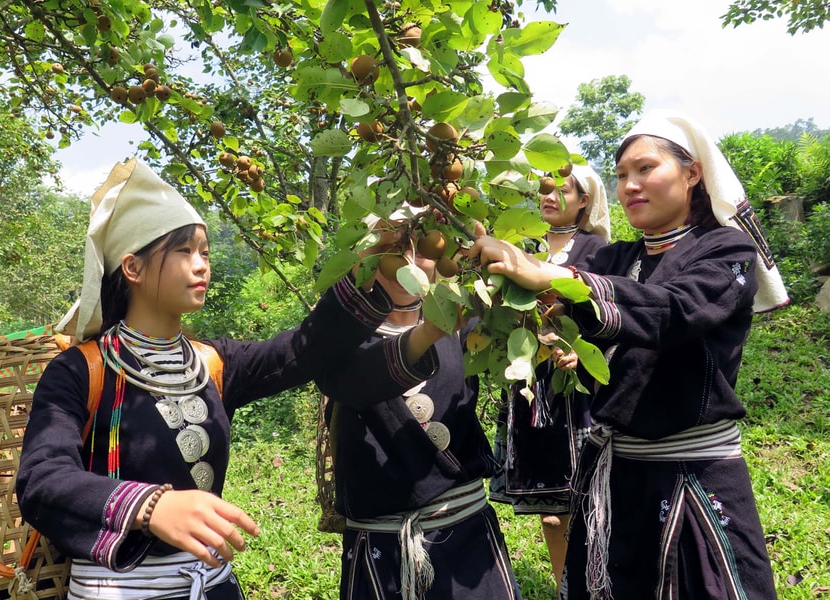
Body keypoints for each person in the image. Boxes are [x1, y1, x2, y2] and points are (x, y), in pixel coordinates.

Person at [15, 158, 440, 600]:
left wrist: (367, 266)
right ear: (133, 268)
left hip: (214, 587)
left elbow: (302, 351)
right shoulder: (80, 370)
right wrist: (149, 505)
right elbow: (41, 479)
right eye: (184, 252)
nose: (201, 265)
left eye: (205, 252)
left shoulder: (214, 362)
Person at [469, 109, 787, 599]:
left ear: (692, 172)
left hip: (696, 473)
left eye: (645, 169)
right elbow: (555, 282)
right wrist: (490, 245)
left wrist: (559, 280)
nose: (630, 185)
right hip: (617, 473)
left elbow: (673, 310)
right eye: (620, 175)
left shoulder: (726, 252)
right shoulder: (615, 258)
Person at [315, 208, 524, 600]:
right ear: (361, 256)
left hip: (466, 539)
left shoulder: (471, 326)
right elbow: (356, 383)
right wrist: (430, 331)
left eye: (422, 245)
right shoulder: (336, 339)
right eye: (390, 246)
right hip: (382, 554)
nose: (408, 261)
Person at [489, 164, 610, 585]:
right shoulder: (522, 244)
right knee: (552, 511)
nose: (550, 196)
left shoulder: (597, 250)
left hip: (576, 390)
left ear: (584, 200)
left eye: (565, 190)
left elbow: (604, 318)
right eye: (546, 188)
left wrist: (577, 352)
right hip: (531, 385)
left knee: (589, 501)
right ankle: (565, 587)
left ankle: (598, 581)